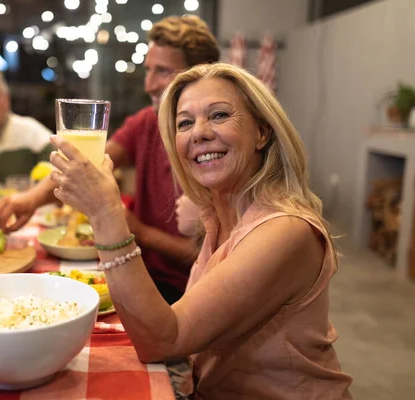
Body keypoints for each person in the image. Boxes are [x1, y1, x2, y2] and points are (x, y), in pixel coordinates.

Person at [47, 63, 353, 399]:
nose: (199, 133)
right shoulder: (220, 216)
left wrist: (105, 214)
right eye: (185, 123)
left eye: (219, 115)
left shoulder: (286, 230)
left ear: (263, 133)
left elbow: (163, 340)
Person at [0, 15, 220, 304]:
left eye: (163, 71)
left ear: (197, 74)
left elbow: (210, 252)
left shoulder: (213, 145)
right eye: (148, 70)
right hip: (141, 272)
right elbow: (84, 164)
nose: (149, 84)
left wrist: (137, 230)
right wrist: (28, 200)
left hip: (188, 291)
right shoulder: (147, 122)